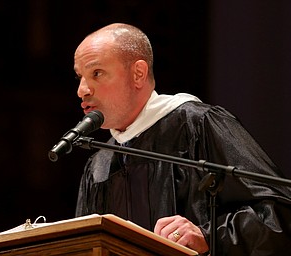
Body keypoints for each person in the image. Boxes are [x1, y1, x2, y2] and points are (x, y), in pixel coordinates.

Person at [73, 23, 291, 255]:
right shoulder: (100, 164)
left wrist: (208, 236)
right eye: (79, 77)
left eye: (96, 73)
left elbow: (280, 214)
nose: (82, 90)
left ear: (138, 74)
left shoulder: (198, 124)